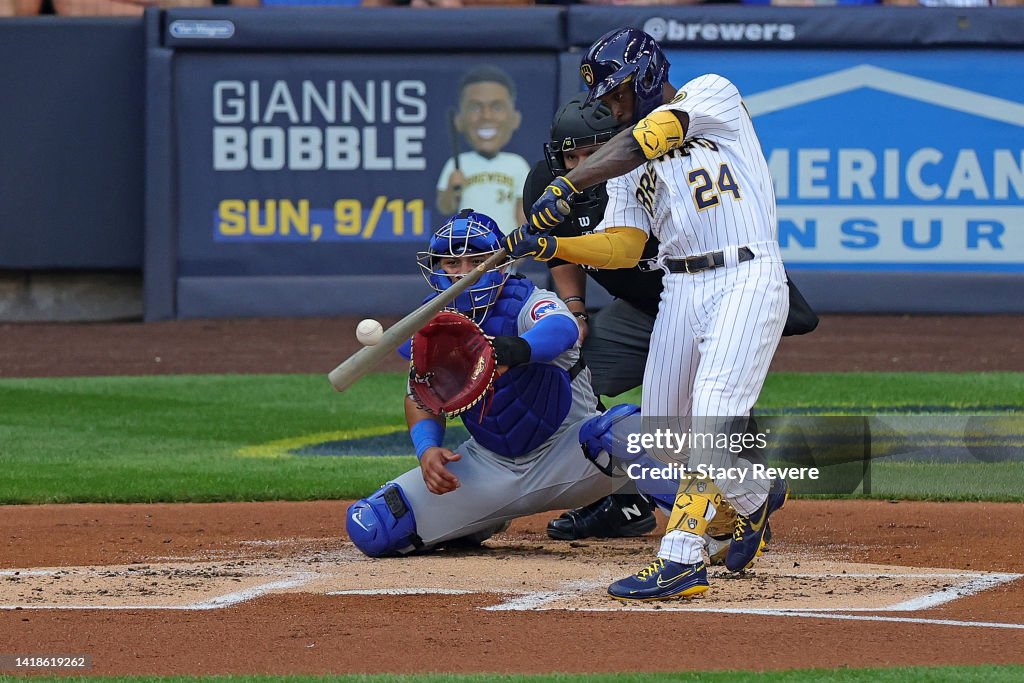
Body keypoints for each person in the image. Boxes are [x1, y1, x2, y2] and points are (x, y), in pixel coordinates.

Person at [505, 28, 791, 601]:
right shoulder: (624, 164)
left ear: (645, 76)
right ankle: (754, 496)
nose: (613, 107)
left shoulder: (710, 95)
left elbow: (651, 137)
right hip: (680, 288)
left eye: (617, 95)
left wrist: (570, 181)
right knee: (663, 437)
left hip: (745, 273)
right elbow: (625, 247)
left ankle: (683, 557)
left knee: (713, 411)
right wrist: (552, 246)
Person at [528, 94, 818, 546]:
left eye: (592, 152)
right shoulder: (554, 183)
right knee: (574, 380)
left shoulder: (656, 166)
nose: (581, 163)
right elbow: (583, 244)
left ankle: (727, 517)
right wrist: (573, 303)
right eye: (571, 155)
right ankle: (627, 501)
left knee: (716, 414)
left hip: (712, 293)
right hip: (651, 309)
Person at [345, 209, 636, 557]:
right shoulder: (433, 327)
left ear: (500, 264)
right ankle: (480, 519)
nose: (464, 272)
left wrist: (510, 349)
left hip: (572, 453)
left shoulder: (528, 301)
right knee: (373, 525)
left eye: (477, 260)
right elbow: (420, 397)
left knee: (625, 430)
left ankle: (702, 528)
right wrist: (427, 449)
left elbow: (563, 328)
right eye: (452, 263)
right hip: (491, 466)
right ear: (436, 269)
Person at [436, 67, 530, 235]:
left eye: (497, 107)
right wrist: (451, 188)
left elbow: (521, 213)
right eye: (475, 108)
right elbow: (445, 207)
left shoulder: (517, 164)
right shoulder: (457, 164)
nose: (486, 116)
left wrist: (521, 247)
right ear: (459, 120)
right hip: (467, 243)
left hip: (503, 244)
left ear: (515, 119)